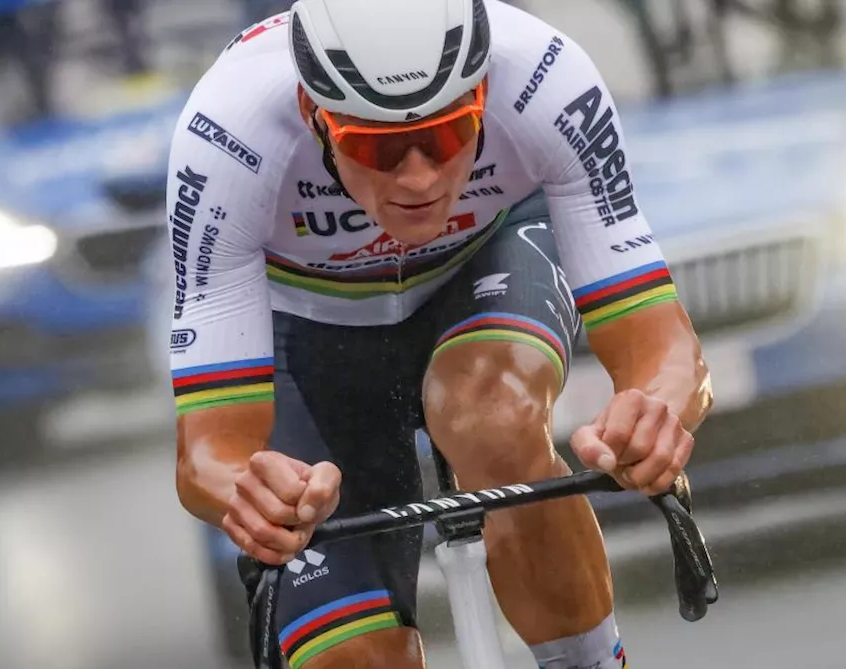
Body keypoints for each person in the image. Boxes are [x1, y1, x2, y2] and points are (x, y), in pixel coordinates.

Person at [164, 0, 712, 667]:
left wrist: (653, 411)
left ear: (482, 93)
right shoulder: (231, 130)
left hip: (483, 263)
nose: (419, 176)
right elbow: (208, 454)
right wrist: (252, 490)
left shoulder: (543, 76)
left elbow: (662, 346)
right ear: (316, 117)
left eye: (451, 135)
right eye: (377, 147)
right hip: (307, 331)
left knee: (492, 414)